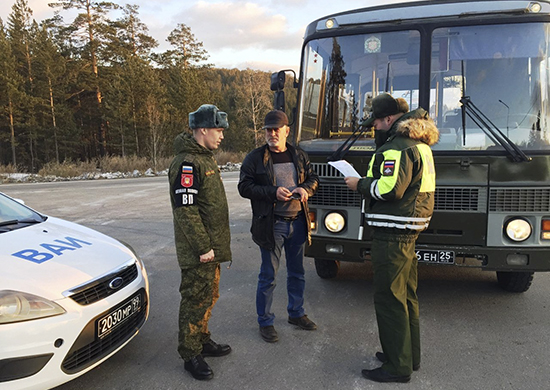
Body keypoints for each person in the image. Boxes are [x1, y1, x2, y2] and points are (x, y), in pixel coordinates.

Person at [344, 93, 439, 383]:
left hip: (392, 234)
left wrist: (358, 183)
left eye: (376, 122)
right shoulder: (420, 145)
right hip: (409, 230)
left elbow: (389, 190)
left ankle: (397, 367)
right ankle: (409, 355)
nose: (374, 127)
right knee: (406, 296)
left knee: (389, 299)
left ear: (388, 120)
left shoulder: (396, 148)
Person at [238, 110, 319, 343]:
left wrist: (306, 189)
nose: (272, 133)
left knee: (297, 273)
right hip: (272, 225)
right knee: (268, 276)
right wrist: (273, 193)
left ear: (286, 131)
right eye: (268, 130)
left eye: (276, 129)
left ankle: (296, 313)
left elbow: (313, 179)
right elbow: (244, 187)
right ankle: (265, 321)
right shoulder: (255, 158)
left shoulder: (299, 155)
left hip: (299, 223)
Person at [168, 104, 232, 381]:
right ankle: (190, 353)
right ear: (203, 130)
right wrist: (203, 247)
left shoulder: (204, 157)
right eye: (218, 130)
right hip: (199, 251)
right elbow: (186, 210)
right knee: (195, 299)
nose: (221, 136)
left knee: (208, 296)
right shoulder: (187, 163)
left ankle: (202, 339)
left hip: (211, 249)